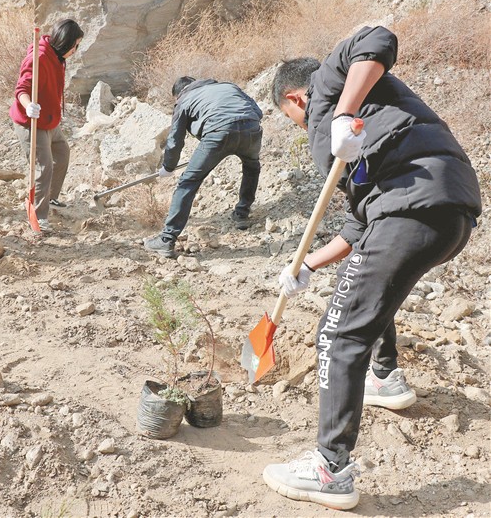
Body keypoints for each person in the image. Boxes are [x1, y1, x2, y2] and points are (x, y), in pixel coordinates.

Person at [263, 26, 481, 510]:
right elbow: (359, 226)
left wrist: (341, 113)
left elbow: (377, 38)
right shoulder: (364, 134)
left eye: (290, 117)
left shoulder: (327, 84)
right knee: (365, 290)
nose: (299, 126)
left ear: (295, 99)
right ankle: (383, 376)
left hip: (413, 205)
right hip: (444, 214)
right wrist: (307, 264)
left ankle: (330, 469)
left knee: (337, 333)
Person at [143, 76, 263, 258]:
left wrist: (168, 166)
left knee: (188, 182)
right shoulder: (228, 86)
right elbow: (258, 111)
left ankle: (166, 240)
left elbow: (175, 140)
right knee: (252, 166)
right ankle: (242, 214)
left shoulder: (184, 100)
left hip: (217, 134)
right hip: (251, 128)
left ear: (178, 94)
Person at [9, 19, 83, 233]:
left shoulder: (57, 56)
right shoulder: (39, 58)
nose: (76, 50)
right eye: (75, 45)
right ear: (65, 42)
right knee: (44, 166)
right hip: (31, 121)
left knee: (62, 153)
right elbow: (21, 89)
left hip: (49, 119)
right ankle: (39, 216)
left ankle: (50, 198)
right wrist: (28, 106)